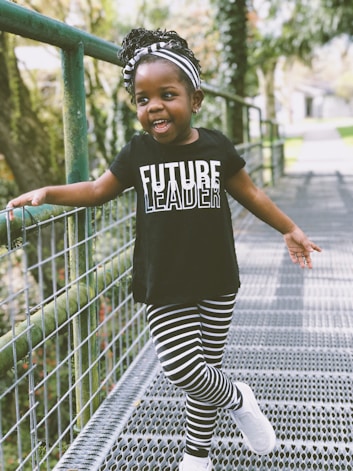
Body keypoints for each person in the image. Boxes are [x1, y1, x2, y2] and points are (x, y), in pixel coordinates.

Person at [7, 28, 322, 471]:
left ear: (195, 100)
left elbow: (251, 194)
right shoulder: (138, 152)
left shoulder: (216, 147)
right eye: (142, 98)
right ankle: (240, 398)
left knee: (204, 371)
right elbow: (97, 190)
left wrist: (289, 228)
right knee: (182, 369)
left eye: (167, 94)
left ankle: (196, 457)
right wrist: (48, 192)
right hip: (164, 282)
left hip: (216, 279)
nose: (153, 105)